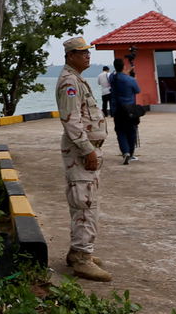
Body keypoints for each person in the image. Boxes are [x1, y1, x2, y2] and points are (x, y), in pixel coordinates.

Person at [56, 36, 111, 282]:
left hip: (87, 149)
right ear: (70, 56)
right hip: (81, 152)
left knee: (85, 202)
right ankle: (82, 258)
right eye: (82, 52)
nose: (87, 56)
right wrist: (87, 149)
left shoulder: (77, 79)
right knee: (85, 203)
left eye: (88, 52)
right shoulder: (69, 81)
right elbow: (71, 120)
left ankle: (78, 250)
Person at [108, 57, 142, 163]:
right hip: (129, 109)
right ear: (124, 66)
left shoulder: (112, 78)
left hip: (117, 109)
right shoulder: (130, 80)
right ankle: (131, 154)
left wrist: (125, 72)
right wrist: (132, 76)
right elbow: (137, 90)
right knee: (131, 131)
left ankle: (125, 152)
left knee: (120, 131)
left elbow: (117, 75)